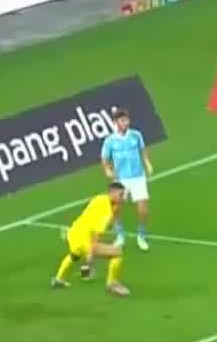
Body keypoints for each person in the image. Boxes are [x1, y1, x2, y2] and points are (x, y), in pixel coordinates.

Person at [52, 183, 130, 296]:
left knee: (75, 255)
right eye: (120, 194)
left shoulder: (99, 198)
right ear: (112, 193)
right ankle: (111, 284)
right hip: (84, 241)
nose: (122, 197)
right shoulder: (107, 211)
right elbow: (96, 235)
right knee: (118, 252)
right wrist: (90, 256)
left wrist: (118, 205)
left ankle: (58, 279)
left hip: (73, 233)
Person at [99, 108, 154, 250]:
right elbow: (104, 158)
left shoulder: (136, 135)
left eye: (127, 120)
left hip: (138, 177)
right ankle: (120, 235)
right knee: (116, 208)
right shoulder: (110, 141)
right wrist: (107, 170)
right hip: (121, 179)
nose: (126, 123)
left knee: (143, 209)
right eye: (122, 120)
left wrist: (147, 163)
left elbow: (143, 150)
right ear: (116, 122)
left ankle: (141, 235)